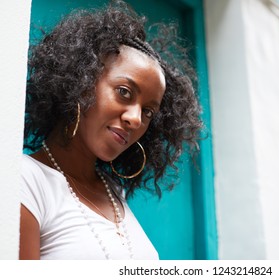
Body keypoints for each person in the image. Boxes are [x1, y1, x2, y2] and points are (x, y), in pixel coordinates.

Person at [20, 0, 202, 260]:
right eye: (124, 92)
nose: (136, 119)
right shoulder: (24, 180)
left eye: (148, 111)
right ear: (81, 81)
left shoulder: (114, 191)